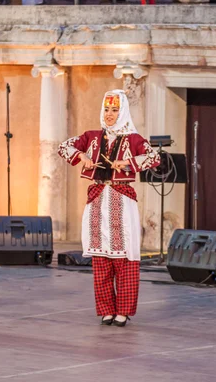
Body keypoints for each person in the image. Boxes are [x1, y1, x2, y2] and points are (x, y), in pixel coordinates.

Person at [58, 89, 160, 327]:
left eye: (115, 110)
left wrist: (127, 162)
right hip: (97, 200)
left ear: (123, 111)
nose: (110, 114)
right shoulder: (92, 136)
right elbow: (64, 147)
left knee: (123, 258)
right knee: (100, 257)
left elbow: (153, 158)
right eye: (107, 109)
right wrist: (82, 156)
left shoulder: (134, 139)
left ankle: (123, 311)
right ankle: (106, 309)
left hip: (122, 201)